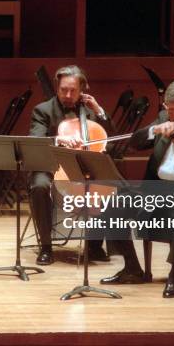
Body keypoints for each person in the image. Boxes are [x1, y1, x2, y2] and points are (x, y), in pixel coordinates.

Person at [100, 76, 174, 298]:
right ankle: (132, 268)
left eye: (173, 110)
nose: (169, 112)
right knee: (114, 204)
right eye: (167, 107)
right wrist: (154, 130)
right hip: (156, 191)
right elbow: (134, 142)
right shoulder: (164, 118)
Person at [28, 65, 113, 265]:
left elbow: (110, 136)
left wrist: (99, 110)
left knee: (109, 184)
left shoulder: (89, 111)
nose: (67, 94)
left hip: (84, 165)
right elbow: (36, 139)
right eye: (63, 89)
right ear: (57, 87)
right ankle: (46, 247)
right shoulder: (43, 110)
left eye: (73, 90)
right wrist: (58, 140)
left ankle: (94, 245)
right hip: (51, 165)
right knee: (39, 186)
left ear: (82, 90)